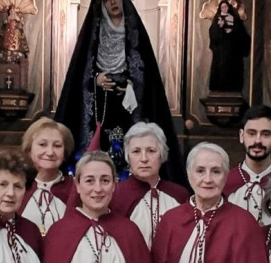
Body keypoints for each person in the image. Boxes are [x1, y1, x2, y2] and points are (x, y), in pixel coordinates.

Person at [55, 0, 186, 186]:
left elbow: (146, 75)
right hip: (98, 105)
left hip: (128, 106)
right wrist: (95, 80)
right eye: (108, 0)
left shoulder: (135, 32)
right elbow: (79, 75)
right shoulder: (94, 32)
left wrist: (131, 85)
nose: (113, 2)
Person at [110, 122, 189, 247]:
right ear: (128, 157)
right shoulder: (116, 195)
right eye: (136, 151)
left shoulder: (178, 194)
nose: (144, 158)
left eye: (151, 151)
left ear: (161, 154)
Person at [19, 117, 76, 236]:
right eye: (42, 144)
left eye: (57, 145)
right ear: (29, 149)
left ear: (65, 152)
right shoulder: (18, 187)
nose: (50, 152)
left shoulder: (76, 189)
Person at [224, 104, 271, 225]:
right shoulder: (225, 183)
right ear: (241, 136)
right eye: (251, 133)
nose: (257, 141)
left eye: (265, 134)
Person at [208, 0, 250, 93]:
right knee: (220, 72)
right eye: (222, 7)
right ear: (220, 8)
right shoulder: (217, 19)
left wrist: (233, 31)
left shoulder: (236, 20)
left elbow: (243, 36)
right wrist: (220, 28)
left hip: (233, 53)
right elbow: (213, 36)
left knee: (233, 73)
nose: (224, 9)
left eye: (226, 7)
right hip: (220, 55)